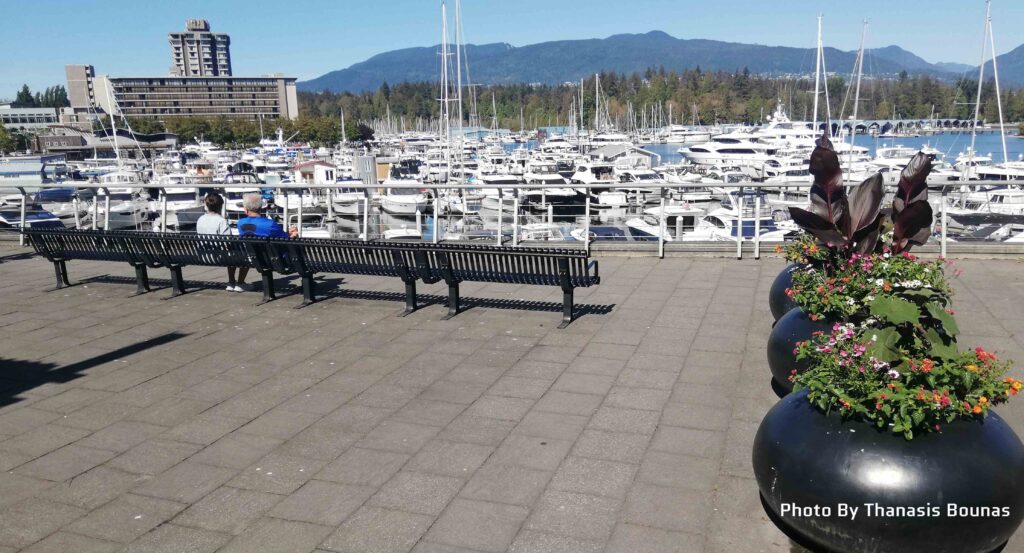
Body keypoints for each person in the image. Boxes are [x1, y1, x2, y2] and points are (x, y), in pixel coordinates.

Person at [235, 193, 298, 290]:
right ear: (261, 208)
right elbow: (285, 240)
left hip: (254, 258)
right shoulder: (270, 224)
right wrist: (293, 236)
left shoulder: (241, 223)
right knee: (298, 247)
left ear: (246, 210)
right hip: (275, 260)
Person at [196, 193, 245, 292]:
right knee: (239, 253)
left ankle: (231, 282)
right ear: (221, 206)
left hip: (203, 255)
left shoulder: (200, 219)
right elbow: (227, 242)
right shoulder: (221, 221)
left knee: (231, 253)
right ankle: (238, 283)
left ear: (206, 205)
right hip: (218, 257)